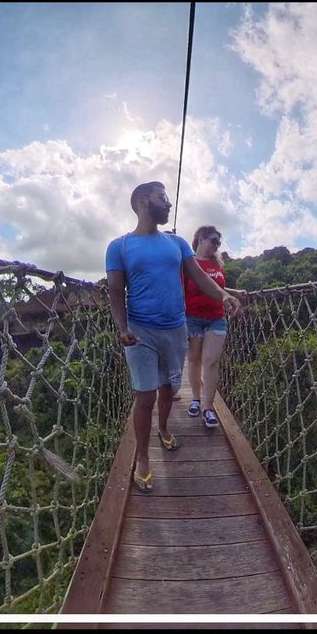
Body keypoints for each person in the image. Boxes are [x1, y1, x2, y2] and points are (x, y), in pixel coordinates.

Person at [105, 182, 243, 493]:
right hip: (141, 333)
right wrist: (121, 327)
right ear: (143, 202)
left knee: (168, 388)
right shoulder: (120, 247)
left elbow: (199, 278)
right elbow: (115, 293)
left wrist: (223, 296)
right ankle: (143, 457)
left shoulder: (177, 244)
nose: (168, 204)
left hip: (176, 330)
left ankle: (164, 428)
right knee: (145, 395)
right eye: (162, 198)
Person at [184, 225, 247, 428]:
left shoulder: (216, 264)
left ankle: (208, 408)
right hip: (192, 317)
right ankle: (195, 399)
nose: (216, 246)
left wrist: (232, 291)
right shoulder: (187, 263)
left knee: (210, 361)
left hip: (216, 317)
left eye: (218, 243)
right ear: (201, 239)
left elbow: (214, 286)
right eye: (213, 241)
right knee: (194, 360)